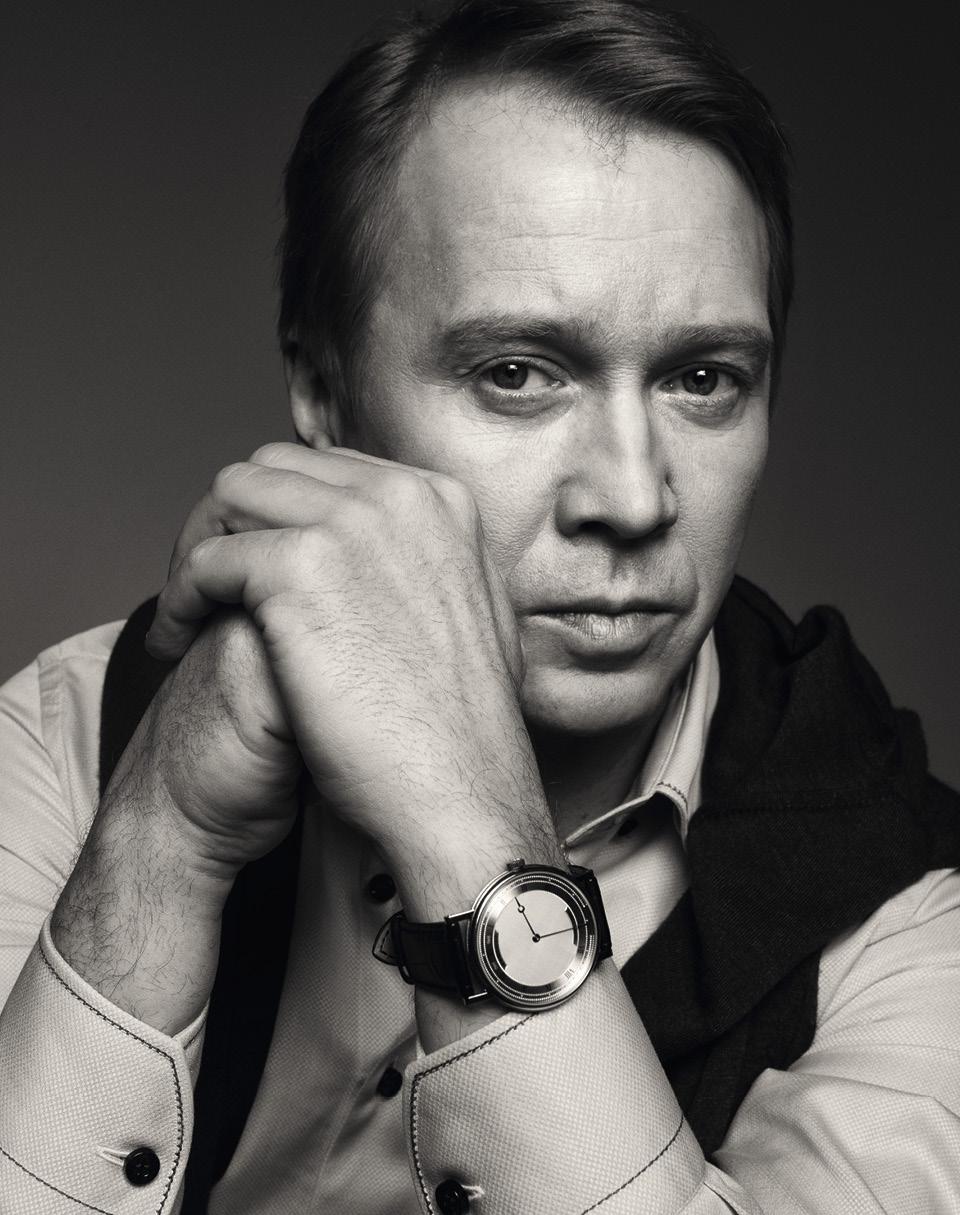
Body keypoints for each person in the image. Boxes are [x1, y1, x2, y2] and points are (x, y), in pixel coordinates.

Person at [1, 0, 958, 1211]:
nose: (632, 497)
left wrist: (471, 832)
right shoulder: (65, 744)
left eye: (703, 379)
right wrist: (160, 841)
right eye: (517, 374)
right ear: (324, 389)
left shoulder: (912, 926)